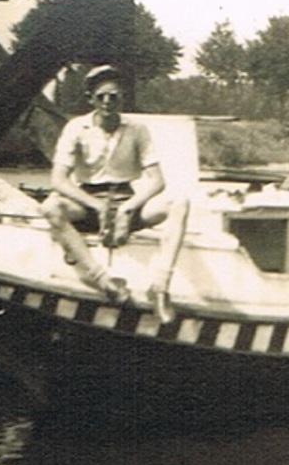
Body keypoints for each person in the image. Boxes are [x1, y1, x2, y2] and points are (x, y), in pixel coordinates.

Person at [41, 65, 188, 323]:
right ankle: (103, 280)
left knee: (180, 203)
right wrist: (97, 206)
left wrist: (127, 208)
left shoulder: (137, 129)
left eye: (114, 96)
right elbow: (58, 180)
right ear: (90, 99)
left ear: (122, 98)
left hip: (127, 199)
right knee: (51, 208)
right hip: (87, 202)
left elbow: (158, 181)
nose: (107, 102)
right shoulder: (77, 128)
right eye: (101, 96)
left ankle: (160, 287)